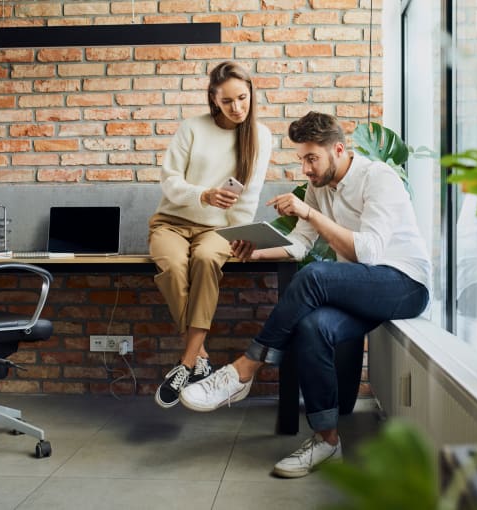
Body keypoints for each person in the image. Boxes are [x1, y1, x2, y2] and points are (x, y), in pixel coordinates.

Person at [179, 111, 431, 478]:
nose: (306, 168)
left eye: (312, 158)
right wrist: (256, 250)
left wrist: (310, 213)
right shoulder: (319, 186)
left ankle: (243, 369)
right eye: (301, 158)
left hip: (404, 283)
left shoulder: (379, 178)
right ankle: (327, 441)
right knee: (313, 327)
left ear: (339, 150)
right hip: (363, 286)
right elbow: (299, 244)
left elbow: (369, 253)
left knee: (314, 275)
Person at [149, 61, 272, 409]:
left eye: (242, 98)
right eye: (228, 101)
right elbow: (169, 181)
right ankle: (200, 355)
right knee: (173, 267)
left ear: (251, 95)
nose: (237, 108)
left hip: (218, 228)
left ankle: (186, 363)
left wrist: (241, 235)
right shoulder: (192, 128)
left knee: (205, 259)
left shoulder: (260, 136)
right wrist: (202, 194)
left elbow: (249, 196)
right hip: (171, 221)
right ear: (214, 100)